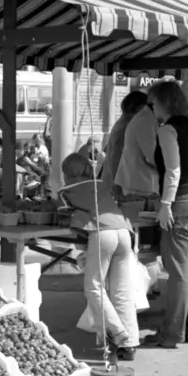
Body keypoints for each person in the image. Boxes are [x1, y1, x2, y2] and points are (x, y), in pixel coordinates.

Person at [140, 80, 188, 349]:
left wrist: (165, 204)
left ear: (163, 103)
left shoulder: (167, 130)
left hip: (181, 202)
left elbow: (173, 170)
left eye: (152, 104)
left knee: (179, 273)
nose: (152, 109)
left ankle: (172, 334)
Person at [60, 152, 138, 360]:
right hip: (124, 232)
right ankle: (129, 344)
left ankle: (117, 332)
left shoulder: (68, 190)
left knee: (94, 287)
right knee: (121, 289)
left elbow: (63, 213)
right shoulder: (102, 184)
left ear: (66, 173)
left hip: (102, 234)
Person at [114, 92, 161, 202]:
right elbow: (153, 156)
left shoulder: (145, 119)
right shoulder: (144, 120)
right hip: (140, 185)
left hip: (134, 182)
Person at [101, 90, 149, 191]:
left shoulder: (128, 124)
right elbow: (116, 160)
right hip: (121, 189)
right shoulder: (126, 128)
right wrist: (118, 189)